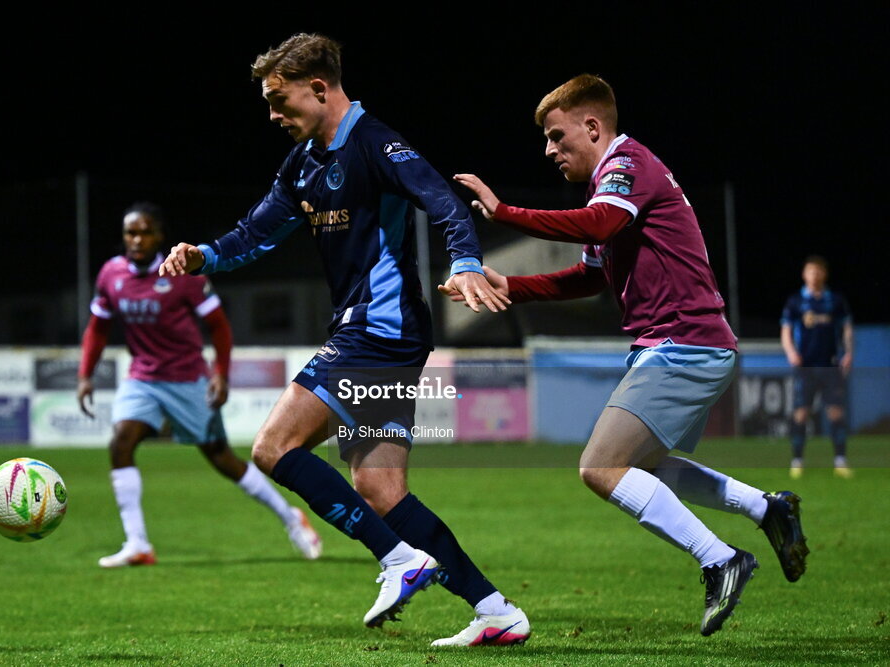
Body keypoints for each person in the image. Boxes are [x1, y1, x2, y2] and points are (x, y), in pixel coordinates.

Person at [159, 34, 529, 647]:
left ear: (320, 88)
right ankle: (495, 610)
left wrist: (464, 260)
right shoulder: (302, 163)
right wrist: (203, 255)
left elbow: (444, 203)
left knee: (273, 447)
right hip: (376, 335)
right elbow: (257, 232)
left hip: (380, 331)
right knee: (381, 491)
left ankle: (399, 561)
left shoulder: (375, 143)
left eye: (280, 100)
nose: (273, 114)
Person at [445, 74, 809, 636]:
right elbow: (587, 278)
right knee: (640, 466)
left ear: (593, 126)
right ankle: (768, 509)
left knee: (600, 466)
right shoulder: (609, 193)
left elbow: (599, 225)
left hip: (684, 342)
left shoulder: (627, 165)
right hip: (677, 344)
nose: (549, 149)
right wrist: (509, 284)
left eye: (557, 135)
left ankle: (721, 559)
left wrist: (506, 213)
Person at [78, 202, 322, 568]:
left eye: (145, 232)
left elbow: (220, 327)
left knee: (222, 459)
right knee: (121, 442)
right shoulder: (111, 275)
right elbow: (97, 328)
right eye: (131, 232)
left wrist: (221, 373)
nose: (137, 239)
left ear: (160, 236)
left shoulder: (183, 274)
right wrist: (85, 375)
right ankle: (138, 543)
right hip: (142, 379)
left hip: (188, 379)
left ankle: (290, 517)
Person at [780, 255, 854, 478]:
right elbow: (786, 331)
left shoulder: (835, 301)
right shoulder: (796, 302)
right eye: (810, 271)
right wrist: (791, 352)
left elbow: (847, 328)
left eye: (818, 271)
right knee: (801, 414)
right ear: (804, 274)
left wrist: (849, 353)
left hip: (830, 364)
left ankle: (840, 461)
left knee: (836, 413)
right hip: (806, 367)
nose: (814, 275)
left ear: (824, 274)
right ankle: (797, 461)